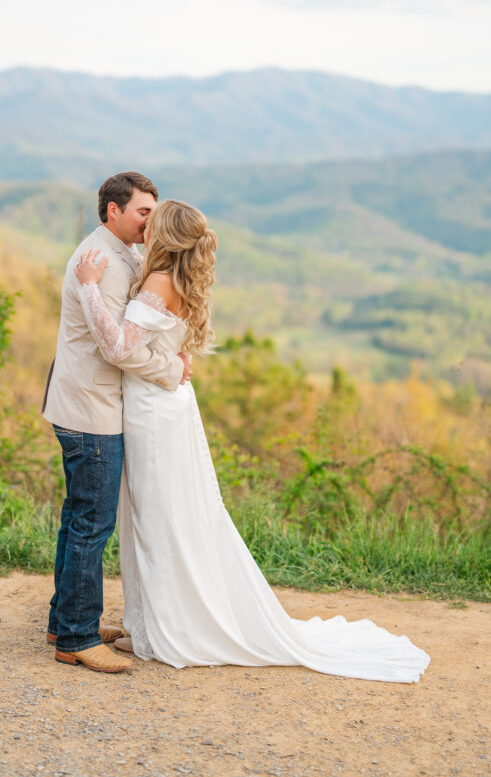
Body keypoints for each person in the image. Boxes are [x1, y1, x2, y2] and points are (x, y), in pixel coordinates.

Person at [73, 199, 431, 682]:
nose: (143, 230)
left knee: (160, 520)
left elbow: (118, 347)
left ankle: (172, 626)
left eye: (151, 224)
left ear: (165, 237)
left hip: (154, 414)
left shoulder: (159, 283)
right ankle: (150, 621)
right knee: (160, 517)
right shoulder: (171, 277)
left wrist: (89, 288)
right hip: (162, 405)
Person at [42, 172, 191, 674]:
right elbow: (116, 349)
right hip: (92, 408)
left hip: (88, 402)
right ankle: (77, 639)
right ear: (113, 212)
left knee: (78, 518)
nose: (150, 220)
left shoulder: (120, 253)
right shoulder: (102, 263)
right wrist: (172, 369)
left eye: (153, 211)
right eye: (142, 212)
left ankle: (64, 621)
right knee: (92, 523)